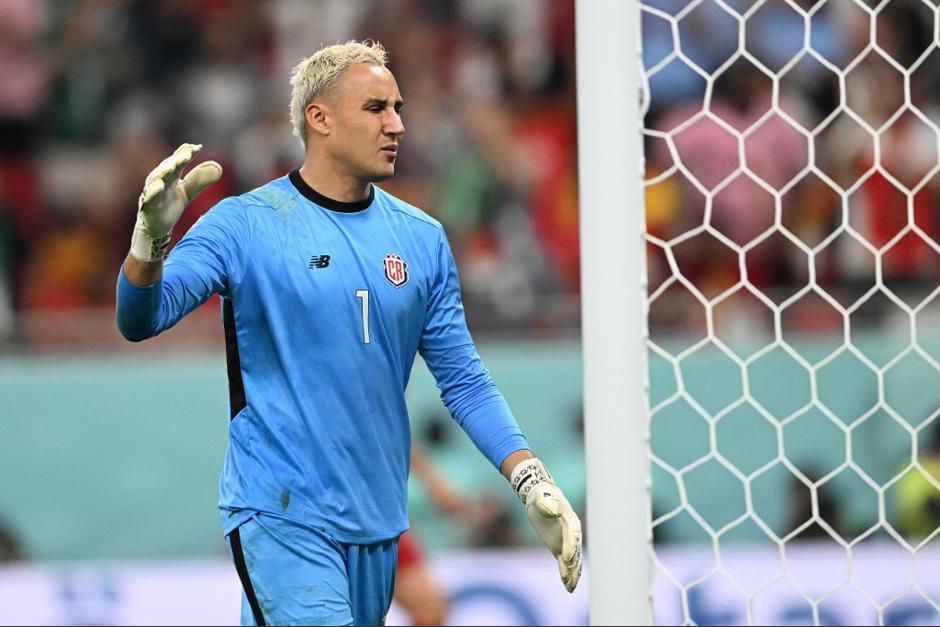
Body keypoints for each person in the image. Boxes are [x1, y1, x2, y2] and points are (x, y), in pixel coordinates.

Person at [115, 40, 581, 626]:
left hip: (377, 522)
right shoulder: (244, 223)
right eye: (377, 108)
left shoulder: (422, 239)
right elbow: (140, 319)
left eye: (398, 108)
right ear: (320, 118)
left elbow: (463, 380)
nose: (398, 125)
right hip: (282, 512)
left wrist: (528, 474)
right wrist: (149, 244)